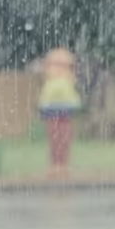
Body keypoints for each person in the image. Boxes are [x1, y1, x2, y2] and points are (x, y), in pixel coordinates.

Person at [37, 48, 83, 177]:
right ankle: (56, 165)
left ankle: (61, 165)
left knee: (63, 141)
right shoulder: (56, 82)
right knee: (56, 141)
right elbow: (45, 99)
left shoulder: (64, 82)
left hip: (64, 117)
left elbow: (72, 99)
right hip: (54, 116)